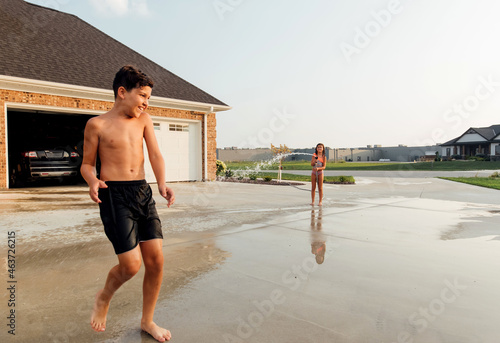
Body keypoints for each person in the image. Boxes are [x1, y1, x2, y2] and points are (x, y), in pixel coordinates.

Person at [80, 65, 175, 342]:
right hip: (115, 195)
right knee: (131, 265)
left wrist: (161, 183)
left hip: (142, 192)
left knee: (156, 260)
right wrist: (92, 180)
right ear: (122, 92)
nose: (146, 102)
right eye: (143, 96)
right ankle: (104, 297)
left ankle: (147, 320)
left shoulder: (144, 120)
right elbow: (87, 164)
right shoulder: (96, 124)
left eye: (149, 98)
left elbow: (155, 155)